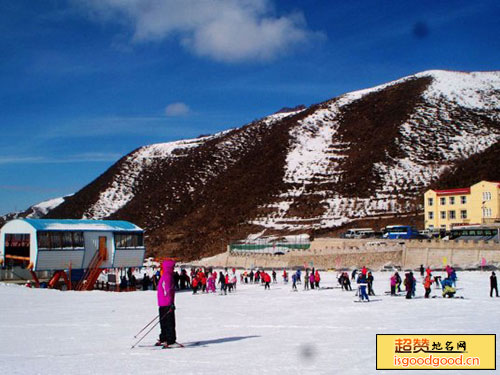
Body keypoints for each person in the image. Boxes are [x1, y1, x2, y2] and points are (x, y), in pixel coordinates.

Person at [157, 260, 180, 348]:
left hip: (161, 303)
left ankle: (164, 338)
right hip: (167, 303)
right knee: (170, 322)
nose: (173, 269)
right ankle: (171, 341)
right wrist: (171, 303)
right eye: (173, 267)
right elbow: (168, 290)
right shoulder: (168, 276)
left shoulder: (163, 276)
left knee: (164, 322)